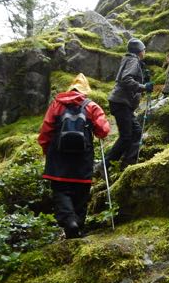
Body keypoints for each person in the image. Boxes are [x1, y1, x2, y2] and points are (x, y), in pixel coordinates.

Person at [38, 73, 110, 238]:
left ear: (70, 88)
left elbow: (46, 131)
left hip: (58, 157)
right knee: (81, 193)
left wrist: (47, 150)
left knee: (60, 191)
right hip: (82, 158)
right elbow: (103, 131)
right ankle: (78, 227)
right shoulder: (92, 106)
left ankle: (69, 221)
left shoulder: (56, 105)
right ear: (85, 91)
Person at [99, 37, 153, 171]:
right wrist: (143, 87)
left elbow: (128, 78)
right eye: (144, 50)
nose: (144, 52)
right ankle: (105, 165)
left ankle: (128, 163)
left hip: (122, 103)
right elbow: (126, 79)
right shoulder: (133, 60)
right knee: (126, 136)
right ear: (139, 50)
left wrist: (143, 80)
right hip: (121, 103)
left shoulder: (130, 60)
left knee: (136, 132)